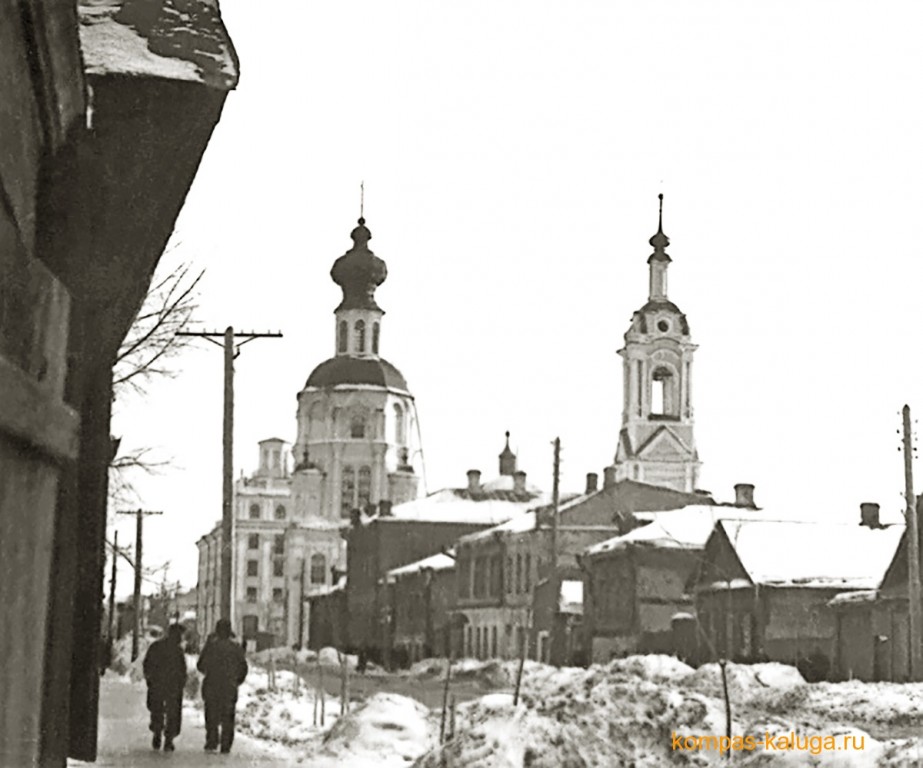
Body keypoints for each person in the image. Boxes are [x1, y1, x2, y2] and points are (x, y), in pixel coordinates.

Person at [197, 619, 248, 754]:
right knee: (228, 717)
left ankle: (212, 741)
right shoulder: (236, 649)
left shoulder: (210, 647)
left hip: (211, 687)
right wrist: (236, 681)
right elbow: (243, 668)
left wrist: (210, 672)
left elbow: (200, 665)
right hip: (229, 688)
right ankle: (226, 744)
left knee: (211, 715)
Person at [142, 623, 187, 752]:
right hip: (172, 686)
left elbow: (147, 664)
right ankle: (169, 738)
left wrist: (150, 679)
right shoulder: (177, 650)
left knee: (157, 710)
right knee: (173, 712)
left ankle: (157, 731)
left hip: (157, 684)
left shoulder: (156, 646)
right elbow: (182, 669)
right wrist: (181, 683)